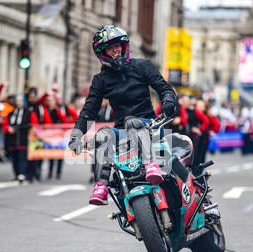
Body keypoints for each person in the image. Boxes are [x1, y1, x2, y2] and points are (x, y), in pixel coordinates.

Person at [68, 25, 176, 205]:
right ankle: (101, 184)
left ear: (125, 46)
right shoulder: (100, 80)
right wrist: (77, 134)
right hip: (123, 133)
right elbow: (89, 112)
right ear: (103, 54)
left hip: (151, 127)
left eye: (117, 46)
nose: (115, 51)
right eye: (110, 48)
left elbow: (164, 89)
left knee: (133, 122)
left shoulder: (143, 66)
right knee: (103, 133)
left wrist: (168, 102)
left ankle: (151, 165)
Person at [3, 94, 38, 183]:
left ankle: (22, 174)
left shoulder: (29, 112)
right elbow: (5, 124)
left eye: (20, 100)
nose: (19, 102)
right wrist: (8, 129)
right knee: (14, 157)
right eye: (17, 100)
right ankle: (16, 173)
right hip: (13, 139)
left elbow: (34, 125)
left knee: (22, 157)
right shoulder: (11, 113)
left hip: (24, 138)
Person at [47, 94, 68, 180]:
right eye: (49, 101)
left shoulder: (58, 110)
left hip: (58, 135)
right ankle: (50, 172)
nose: (50, 102)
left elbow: (65, 121)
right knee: (51, 154)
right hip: (50, 135)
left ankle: (58, 172)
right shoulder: (46, 110)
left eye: (52, 101)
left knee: (59, 154)